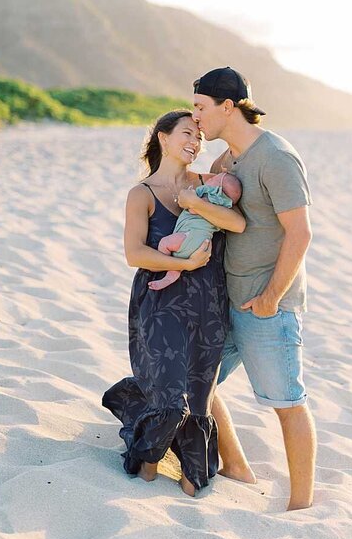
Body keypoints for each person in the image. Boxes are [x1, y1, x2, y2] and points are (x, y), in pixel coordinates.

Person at [190, 67, 316, 512]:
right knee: (198, 381)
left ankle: (301, 506)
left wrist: (270, 299)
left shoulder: (276, 157)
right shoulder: (230, 160)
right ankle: (237, 466)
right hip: (227, 298)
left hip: (267, 306)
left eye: (201, 107)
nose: (196, 116)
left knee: (287, 403)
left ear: (228, 107)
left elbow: (299, 234)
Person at [102, 111, 246, 495]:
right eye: (187, 133)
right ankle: (146, 463)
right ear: (163, 138)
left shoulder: (209, 185)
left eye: (199, 136)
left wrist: (195, 203)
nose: (195, 141)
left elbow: (238, 223)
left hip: (209, 304)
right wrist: (182, 263)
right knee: (169, 398)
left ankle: (192, 480)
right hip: (160, 303)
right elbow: (135, 254)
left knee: (199, 400)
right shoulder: (142, 194)